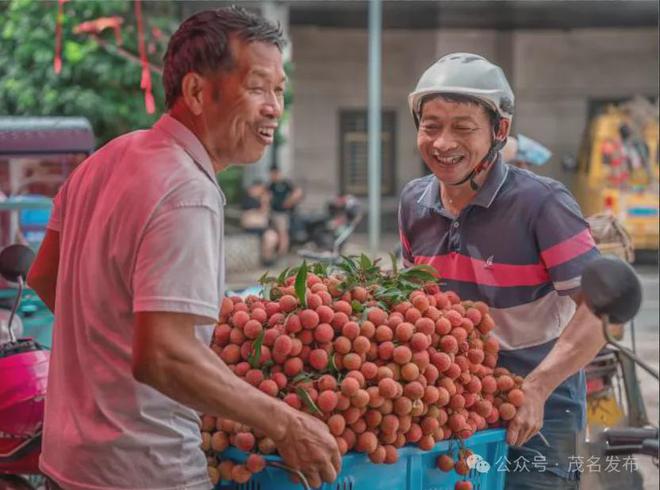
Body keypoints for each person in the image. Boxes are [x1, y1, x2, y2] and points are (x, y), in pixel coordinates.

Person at [26, 7, 340, 490]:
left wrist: (110, 352)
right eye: (257, 87)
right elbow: (163, 357)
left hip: (68, 463)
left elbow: (46, 278)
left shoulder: (108, 158)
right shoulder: (186, 191)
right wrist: (287, 424)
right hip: (145, 469)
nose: (275, 106)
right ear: (196, 91)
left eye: (279, 90)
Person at [399, 52, 610, 489]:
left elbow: (600, 312)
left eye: (463, 127)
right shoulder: (413, 204)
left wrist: (536, 388)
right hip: (453, 405)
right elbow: (413, 306)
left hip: (543, 405)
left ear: (500, 131)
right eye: (431, 125)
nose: (442, 143)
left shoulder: (542, 205)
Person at [240, 179, 279, 265]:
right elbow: (253, 215)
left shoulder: (260, 200)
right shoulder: (248, 199)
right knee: (270, 236)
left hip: (262, 228)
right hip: (252, 227)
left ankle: (267, 258)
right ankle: (266, 258)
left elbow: (266, 215)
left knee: (272, 236)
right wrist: (265, 201)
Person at [268, 165, 303, 255]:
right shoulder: (271, 185)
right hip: (273, 212)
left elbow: (298, 192)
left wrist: (289, 201)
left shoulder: (285, 183)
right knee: (276, 232)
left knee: (282, 232)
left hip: (282, 213)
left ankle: (282, 252)